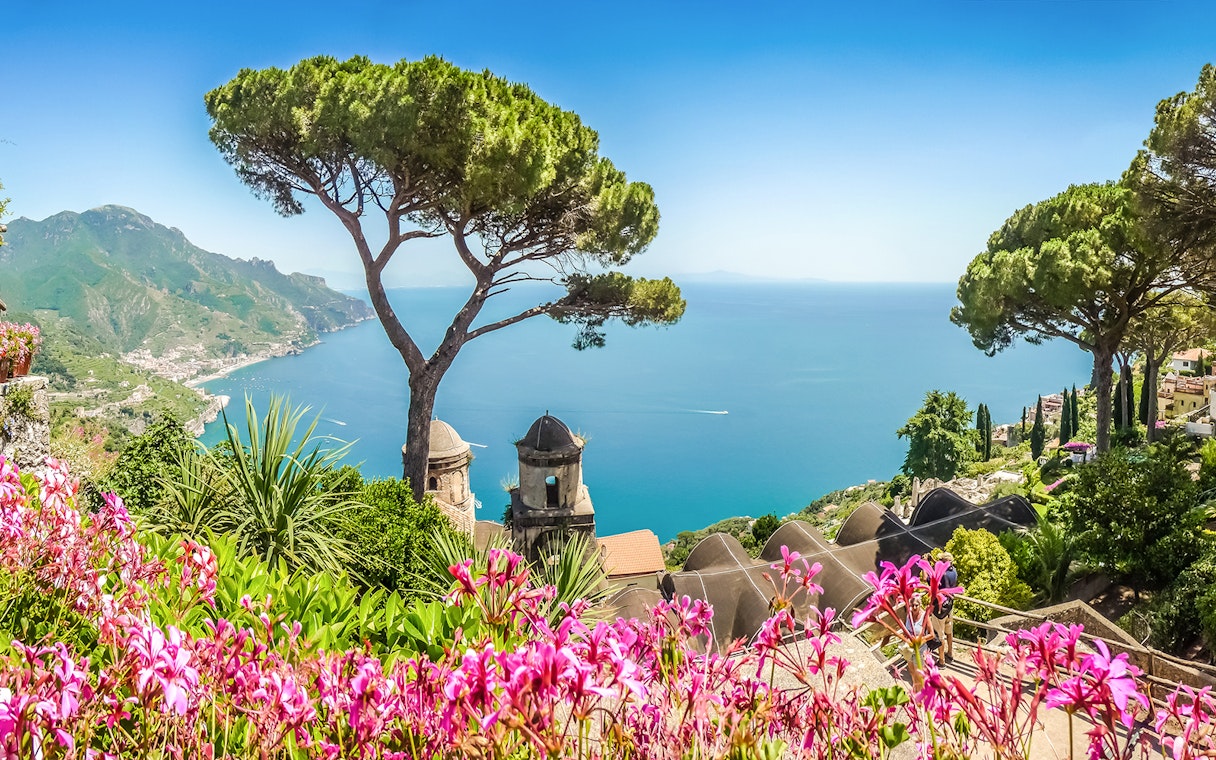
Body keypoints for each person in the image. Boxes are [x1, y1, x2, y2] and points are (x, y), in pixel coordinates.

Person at [901, 594, 933, 690]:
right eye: (912, 605)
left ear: (920, 605)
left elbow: (932, 634)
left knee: (919, 673)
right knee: (911, 671)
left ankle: (920, 692)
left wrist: (920, 640)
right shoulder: (908, 615)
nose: (914, 608)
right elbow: (905, 630)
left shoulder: (925, 617)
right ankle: (916, 688)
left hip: (920, 649)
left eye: (916, 605)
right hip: (909, 649)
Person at [932, 552, 958, 664]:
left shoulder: (942, 575)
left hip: (939, 608)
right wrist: (933, 561)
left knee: (939, 634)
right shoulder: (954, 571)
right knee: (949, 631)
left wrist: (927, 564)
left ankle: (941, 661)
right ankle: (950, 653)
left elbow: (927, 578)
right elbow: (942, 568)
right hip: (950, 606)